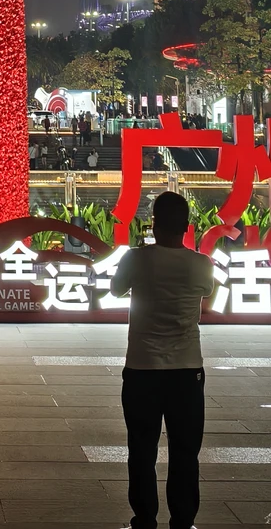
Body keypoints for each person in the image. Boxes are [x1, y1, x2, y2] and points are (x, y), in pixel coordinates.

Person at [110, 191, 214, 529]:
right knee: (185, 451)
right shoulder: (201, 264)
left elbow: (115, 289)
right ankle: (183, 521)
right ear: (186, 227)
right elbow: (207, 291)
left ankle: (144, 519)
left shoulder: (135, 259)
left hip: (142, 369)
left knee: (142, 449)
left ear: (153, 225)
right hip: (187, 370)